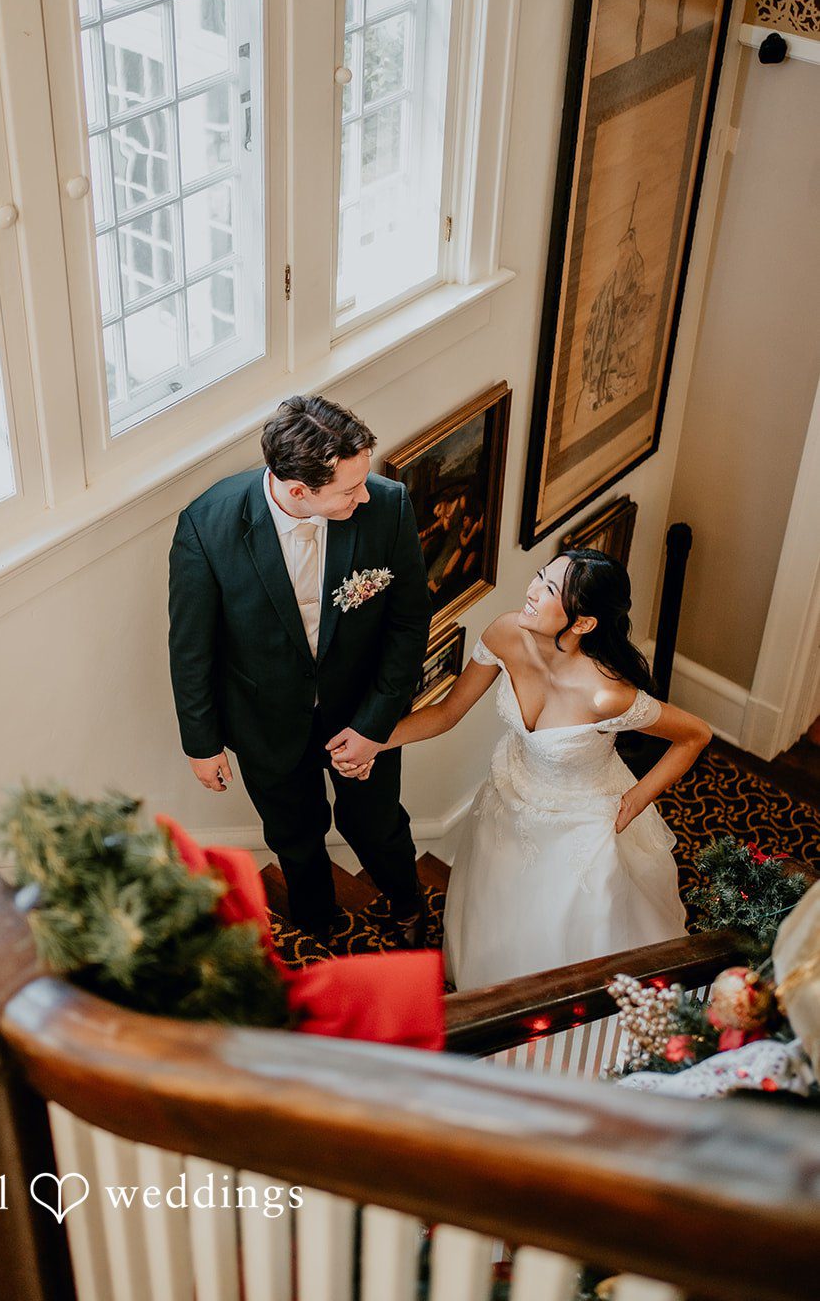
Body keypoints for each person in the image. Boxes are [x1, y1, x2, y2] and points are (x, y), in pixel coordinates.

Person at [338, 549, 711, 988]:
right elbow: (447, 713)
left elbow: (695, 735)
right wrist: (374, 744)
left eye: (550, 589)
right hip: (507, 801)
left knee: (560, 933)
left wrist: (634, 800)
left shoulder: (606, 695)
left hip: (580, 828)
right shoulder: (505, 633)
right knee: (496, 908)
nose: (532, 591)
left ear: (584, 622)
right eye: (540, 577)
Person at [168, 394, 432, 945]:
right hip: (264, 721)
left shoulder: (389, 507)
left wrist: (374, 725)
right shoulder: (205, 527)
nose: (366, 495)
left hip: (360, 710)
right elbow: (192, 647)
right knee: (295, 835)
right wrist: (202, 743)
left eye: (364, 481)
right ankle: (316, 927)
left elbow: (408, 626)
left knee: (376, 824)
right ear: (297, 491)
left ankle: (409, 903)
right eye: (349, 490)